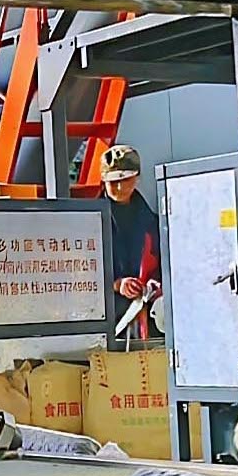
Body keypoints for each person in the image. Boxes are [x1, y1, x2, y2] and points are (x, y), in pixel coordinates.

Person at [97, 144, 160, 339]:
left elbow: (163, 263)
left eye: (125, 180)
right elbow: (79, 274)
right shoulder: (89, 222)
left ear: (136, 178)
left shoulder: (151, 221)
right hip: (106, 319)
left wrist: (154, 284)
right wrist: (116, 284)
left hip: (146, 319)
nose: (119, 187)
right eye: (113, 181)